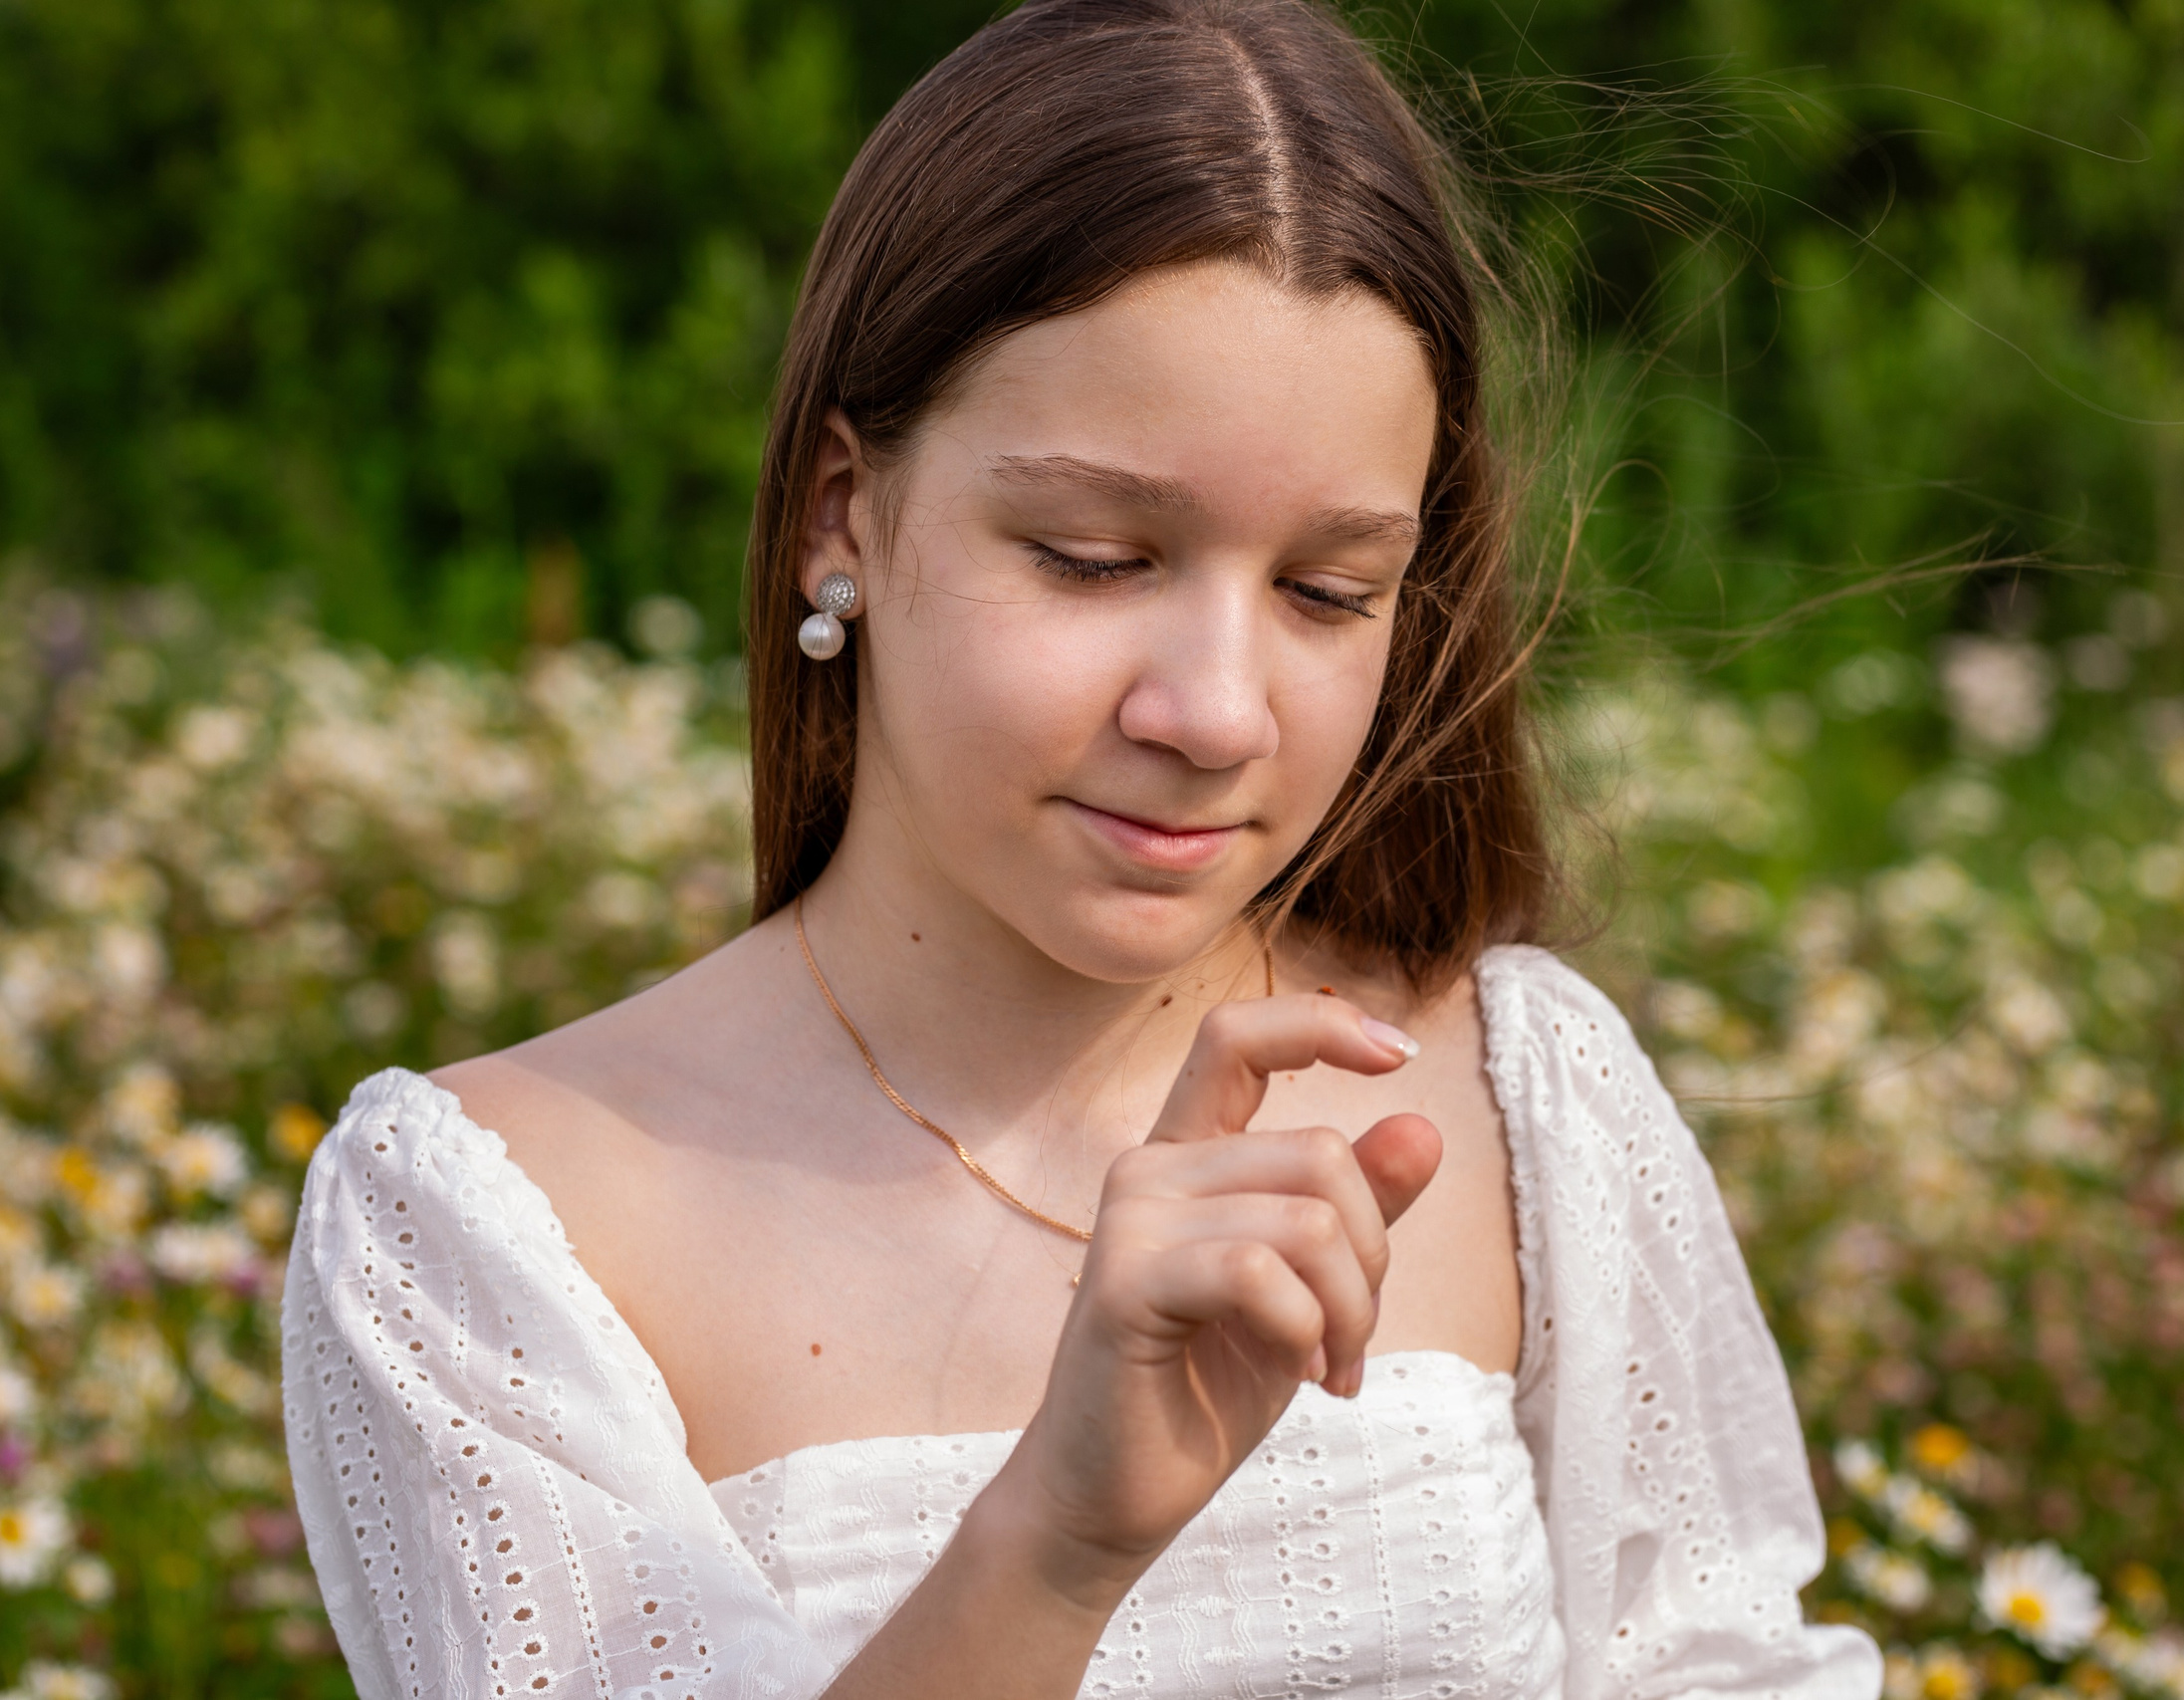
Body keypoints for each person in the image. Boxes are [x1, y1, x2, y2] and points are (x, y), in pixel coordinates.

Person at [279, 1, 1881, 1695]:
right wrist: (1051, 1548)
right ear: (845, 513)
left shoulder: (1522, 1099)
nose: (1217, 711)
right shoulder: (488, 1227)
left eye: (1330, 592)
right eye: (1095, 556)